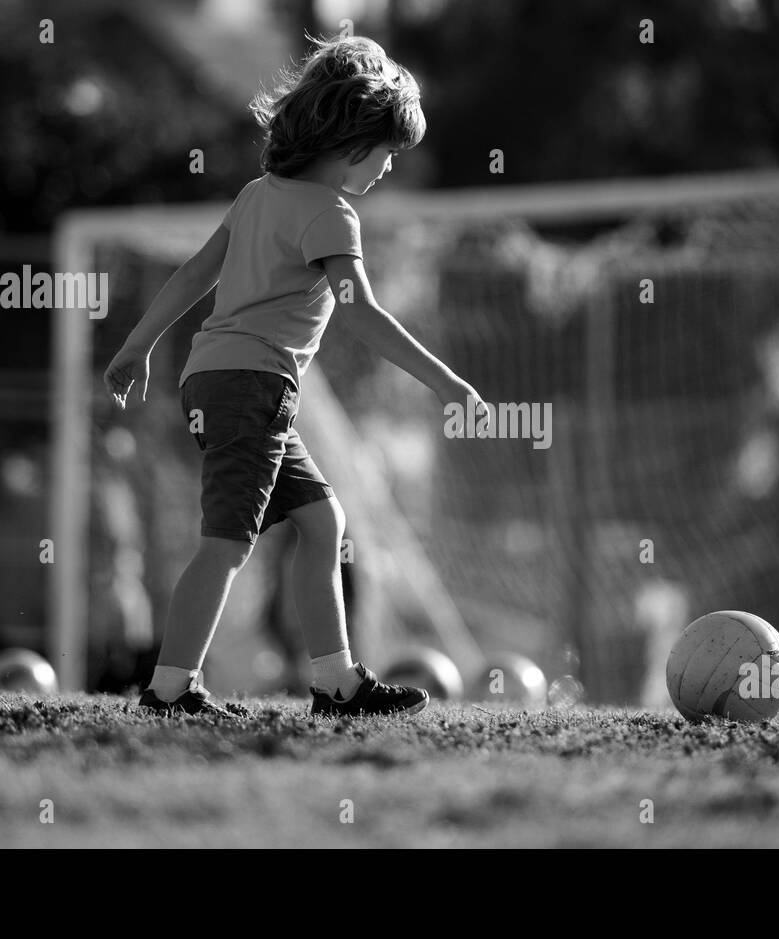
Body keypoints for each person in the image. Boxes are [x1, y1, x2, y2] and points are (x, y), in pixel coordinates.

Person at [102, 34, 489, 717]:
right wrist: (447, 381)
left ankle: (336, 681)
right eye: (388, 153)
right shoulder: (330, 213)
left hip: (215, 378)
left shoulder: (259, 194)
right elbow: (361, 314)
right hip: (253, 387)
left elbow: (196, 272)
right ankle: (168, 689)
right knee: (226, 542)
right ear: (353, 142)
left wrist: (139, 344)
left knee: (322, 520)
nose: (389, 168)